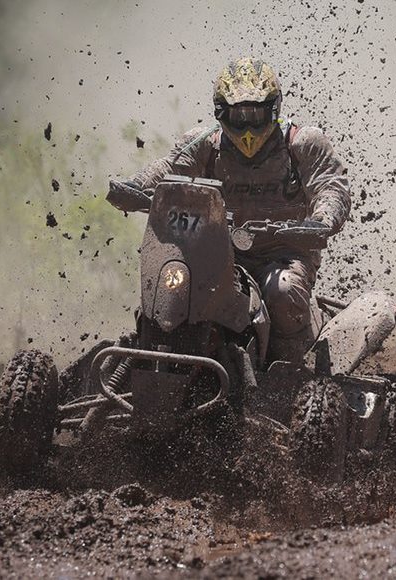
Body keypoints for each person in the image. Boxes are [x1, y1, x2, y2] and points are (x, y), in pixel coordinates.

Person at [108, 57, 351, 361]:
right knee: (168, 281)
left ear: (273, 109)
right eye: (238, 115)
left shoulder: (301, 143)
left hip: (282, 254)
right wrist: (135, 186)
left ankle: (292, 374)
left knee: (283, 292)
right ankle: (146, 357)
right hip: (212, 254)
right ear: (221, 112)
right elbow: (168, 169)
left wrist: (322, 220)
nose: (247, 126)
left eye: (255, 113)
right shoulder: (203, 143)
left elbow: (330, 185)